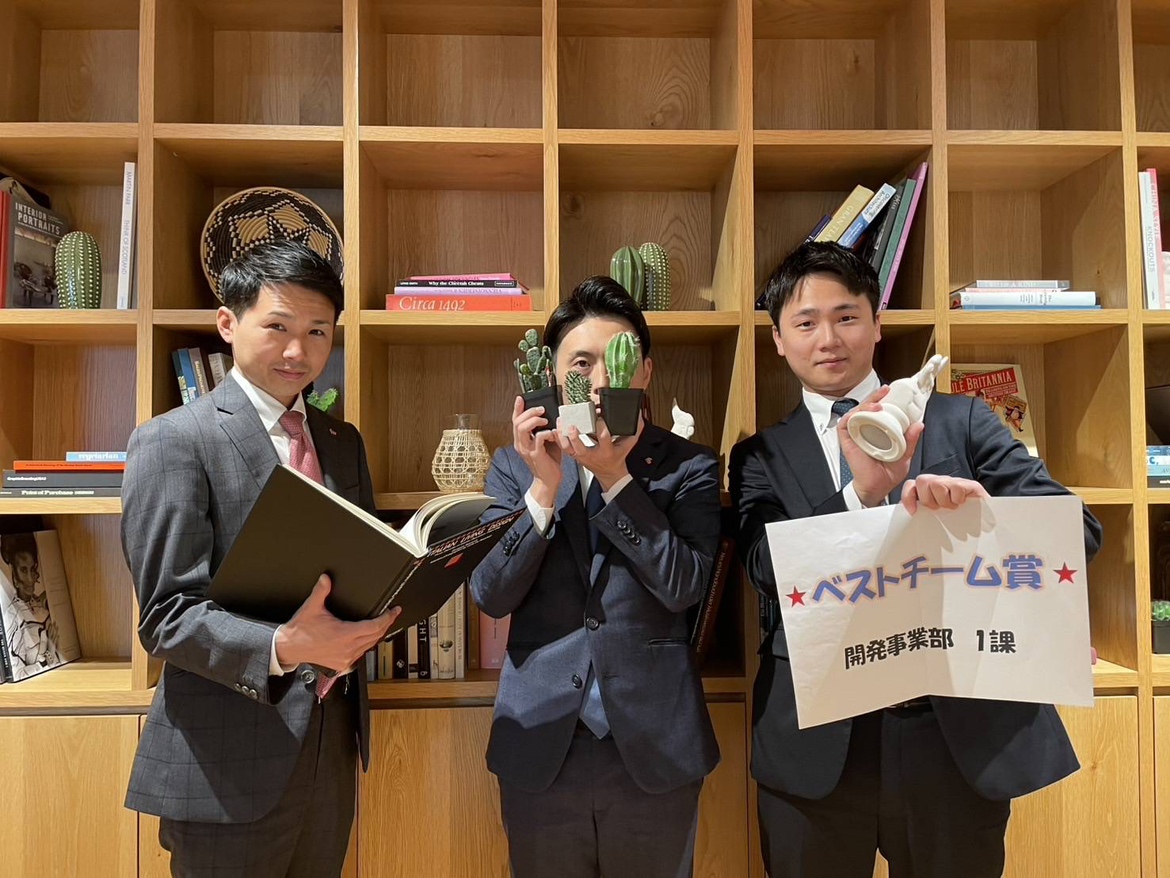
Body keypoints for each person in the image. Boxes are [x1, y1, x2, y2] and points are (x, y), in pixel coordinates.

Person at [729, 241, 1104, 878]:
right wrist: (859, 495)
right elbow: (766, 568)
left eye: (847, 317)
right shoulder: (759, 456)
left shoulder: (962, 421)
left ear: (878, 324)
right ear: (778, 340)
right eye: (805, 322)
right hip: (818, 743)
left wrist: (981, 517)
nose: (829, 339)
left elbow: (1078, 533)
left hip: (952, 739)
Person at [120, 240, 399, 877]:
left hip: (328, 750)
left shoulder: (342, 442)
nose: (298, 351)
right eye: (277, 327)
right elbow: (166, 617)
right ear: (228, 323)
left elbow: (359, 568)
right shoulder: (174, 440)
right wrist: (285, 646)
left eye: (318, 331)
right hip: (223, 765)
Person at [470, 276, 722, 878]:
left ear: (646, 373)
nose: (602, 379)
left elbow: (684, 586)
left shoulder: (688, 466)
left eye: (619, 360)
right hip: (541, 744)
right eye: (582, 362)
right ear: (554, 374)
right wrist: (544, 487)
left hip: (654, 746)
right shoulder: (512, 466)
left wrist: (615, 479)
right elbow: (491, 594)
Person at [0, 532, 59, 672]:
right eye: (23, 570)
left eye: (32, 569)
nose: (30, 579)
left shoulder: (44, 606)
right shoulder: (12, 616)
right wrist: (48, 656)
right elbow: (18, 673)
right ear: (14, 572)